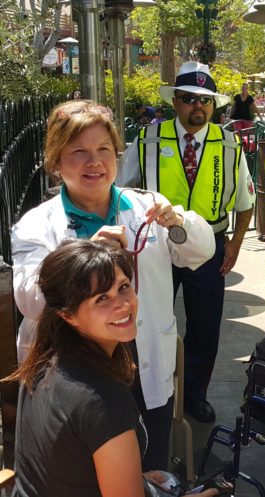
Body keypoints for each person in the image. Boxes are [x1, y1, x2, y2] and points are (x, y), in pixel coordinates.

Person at [11, 99, 216, 471]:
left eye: (104, 149)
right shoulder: (36, 225)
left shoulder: (146, 206)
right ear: (56, 162)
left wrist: (178, 222)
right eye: (79, 152)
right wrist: (86, 255)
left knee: (149, 467)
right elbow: (30, 300)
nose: (95, 162)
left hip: (143, 362)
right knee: (80, 476)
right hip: (72, 373)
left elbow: (201, 251)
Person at [6, 239, 219, 497]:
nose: (123, 304)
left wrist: (137, 480)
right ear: (67, 315)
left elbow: (70, 463)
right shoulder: (102, 401)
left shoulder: (44, 361)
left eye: (124, 287)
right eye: (102, 298)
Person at [118, 61, 255, 423]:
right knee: (150, 320)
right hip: (154, 245)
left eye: (205, 100)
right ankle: (150, 392)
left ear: (214, 105)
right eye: (189, 98)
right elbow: (120, 190)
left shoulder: (229, 144)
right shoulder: (147, 139)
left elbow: (245, 202)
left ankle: (194, 394)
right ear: (175, 101)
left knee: (205, 325)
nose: (198, 106)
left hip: (208, 247)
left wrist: (236, 243)